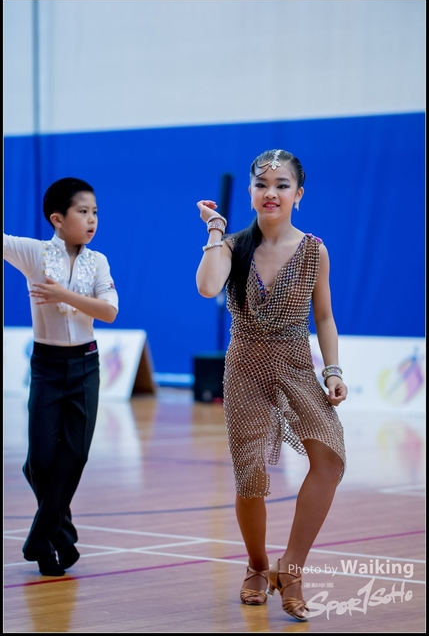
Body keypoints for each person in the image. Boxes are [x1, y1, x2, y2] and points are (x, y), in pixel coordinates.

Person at [196, 149, 347, 621]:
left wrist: (333, 370)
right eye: (261, 184)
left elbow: (324, 316)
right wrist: (215, 230)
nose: (271, 193)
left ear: (298, 194)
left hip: (297, 365)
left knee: (330, 457)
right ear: (250, 193)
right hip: (245, 366)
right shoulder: (233, 245)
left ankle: (292, 568)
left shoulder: (315, 250)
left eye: (282, 185)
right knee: (251, 477)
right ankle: (258, 566)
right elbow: (207, 287)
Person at [4, 177, 119, 577]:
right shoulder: (34, 253)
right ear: (57, 218)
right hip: (47, 367)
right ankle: (62, 536)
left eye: (95, 212)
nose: (92, 220)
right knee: (39, 461)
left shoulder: (98, 261)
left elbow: (109, 312)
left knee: (75, 454)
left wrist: (63, 295)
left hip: (85, 364)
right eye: (82, 212)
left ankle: (41, 540)